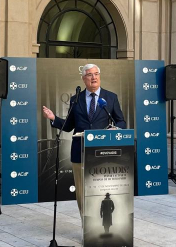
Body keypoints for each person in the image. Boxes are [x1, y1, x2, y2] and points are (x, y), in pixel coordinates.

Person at [42, 63, 126, 215]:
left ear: (99, 77)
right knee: (82, 192)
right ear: (83, 79)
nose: (93, 77)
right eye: (89, 75)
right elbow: (69, 126)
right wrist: (54, 118)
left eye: (96, 74)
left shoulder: (110, 97)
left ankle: (102, 224)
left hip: (103, 152)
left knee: (102, 190)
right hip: (80, 151)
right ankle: (86, 226)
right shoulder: (76, 99)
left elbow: (121, 121)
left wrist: (116, 129)